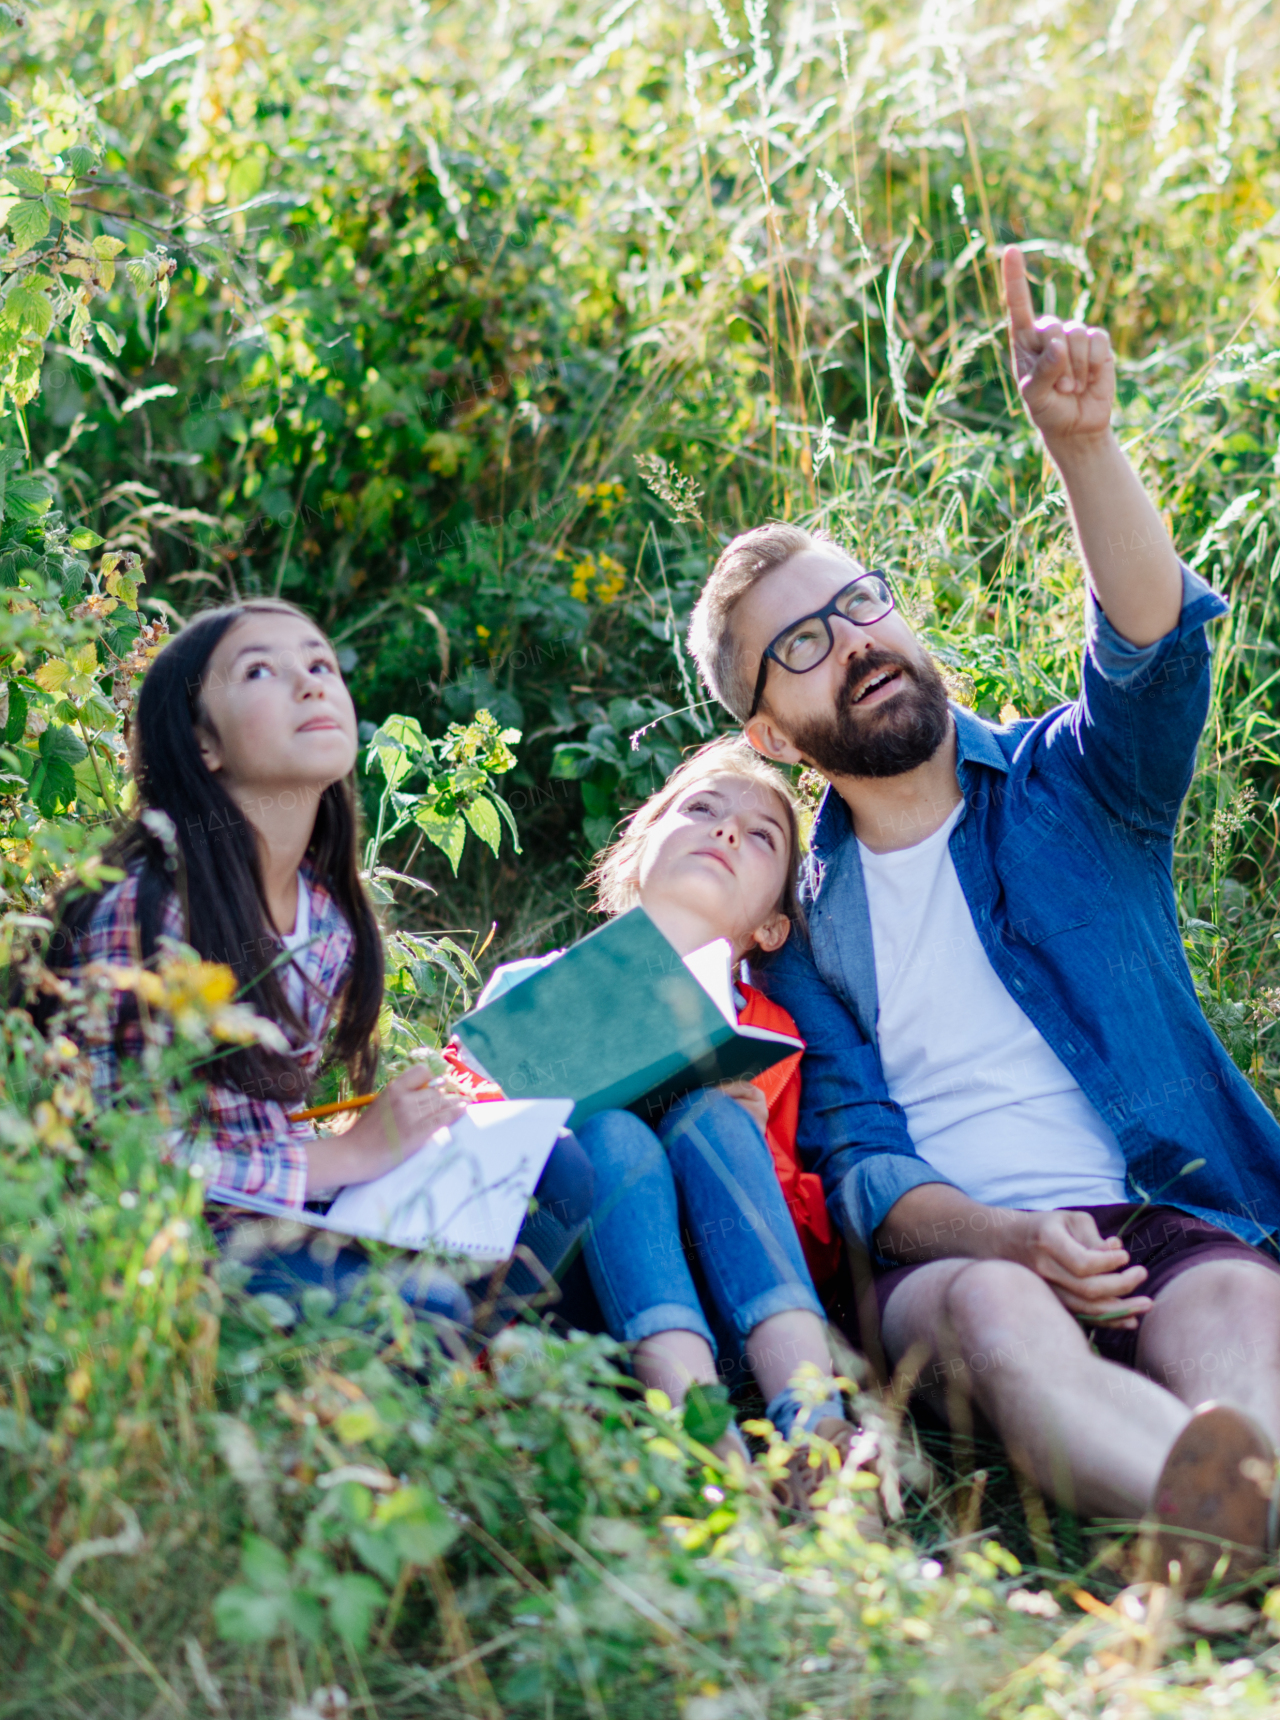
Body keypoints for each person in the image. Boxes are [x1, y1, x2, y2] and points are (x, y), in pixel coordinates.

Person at [685, 247, 1280, 1590]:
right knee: (1006, 1310)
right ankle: (1217, 1514)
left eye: (861, 604)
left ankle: (1241, 1509)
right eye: (806, 644)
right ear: (773, 729)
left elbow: (1153, 660)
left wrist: (1082, 445)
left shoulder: (1074, 789)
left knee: (1241, 1287)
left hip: (1157, 1219)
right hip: (972, 1264)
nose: (858, 640)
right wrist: (1008, 1237)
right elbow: (860, 1165)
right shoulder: (801, 918)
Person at [43, 600, 592, 1336]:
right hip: (161, 1244)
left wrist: (391, 1137)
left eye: (321, 664)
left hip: (278, 1200)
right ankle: (422, 1372)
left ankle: (475, 1374)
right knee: (422, 1308)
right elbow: (119, 1153)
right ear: (204, 743)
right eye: (261, 670)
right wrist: (343, 1159)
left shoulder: (325, 914)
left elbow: (260, 1118)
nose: (310, 684)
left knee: (559, 1169)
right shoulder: (145, 909)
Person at [462, 739, 865, 1496]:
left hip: (729, 1312)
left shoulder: (769, 1037)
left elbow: (801, 1238)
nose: (726, 832)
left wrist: (753, 1144)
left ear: (772, 929)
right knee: (610, 1135)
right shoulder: (529, 989)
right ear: (635, 856)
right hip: (571, 1304)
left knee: (715, 1122)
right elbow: (479, 1169)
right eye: (702, 810)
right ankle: (704, 1445)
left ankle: (818, 1430)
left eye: (760, 837)